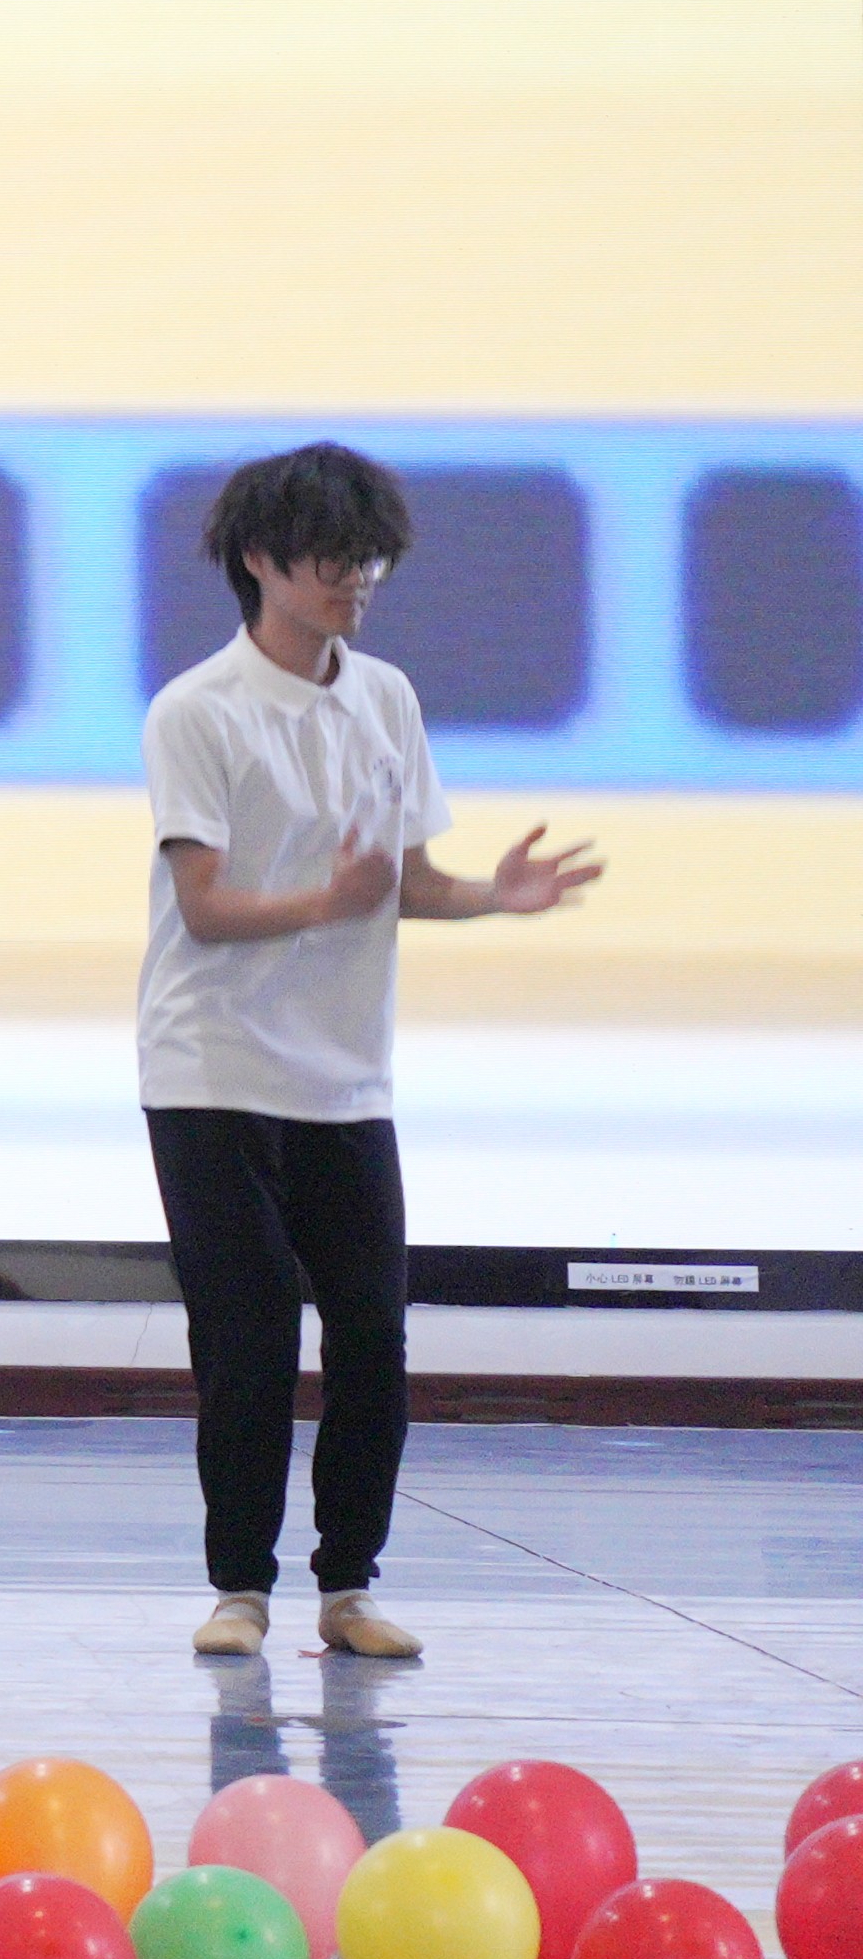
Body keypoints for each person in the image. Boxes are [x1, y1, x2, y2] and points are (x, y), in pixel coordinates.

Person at [142, 441, 596, 1664]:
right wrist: (331, 899)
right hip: (212, 1070)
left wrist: (492, 895)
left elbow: (405, 882)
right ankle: (240, 1589)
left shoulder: (386, 697)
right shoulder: (198, 710)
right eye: (334, 559)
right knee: (248, 1338)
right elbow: (205, 906)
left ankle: (349, 1587)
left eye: (370, 559)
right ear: (260, 561)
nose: (358, 580)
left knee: (373, 1338)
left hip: (345, 1077)